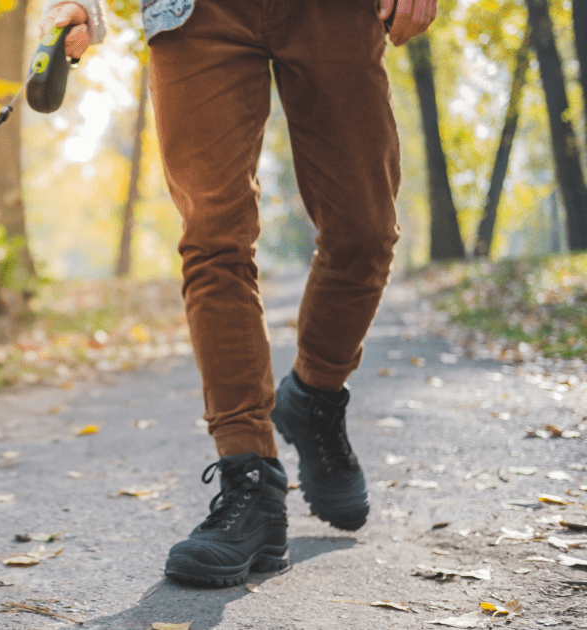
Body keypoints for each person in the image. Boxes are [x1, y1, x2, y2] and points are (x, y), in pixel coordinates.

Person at [35, 0, 437, 586]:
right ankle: (249, 478)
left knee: (365, 230)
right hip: (195, 14)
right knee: (213, 240)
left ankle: (316, 398)